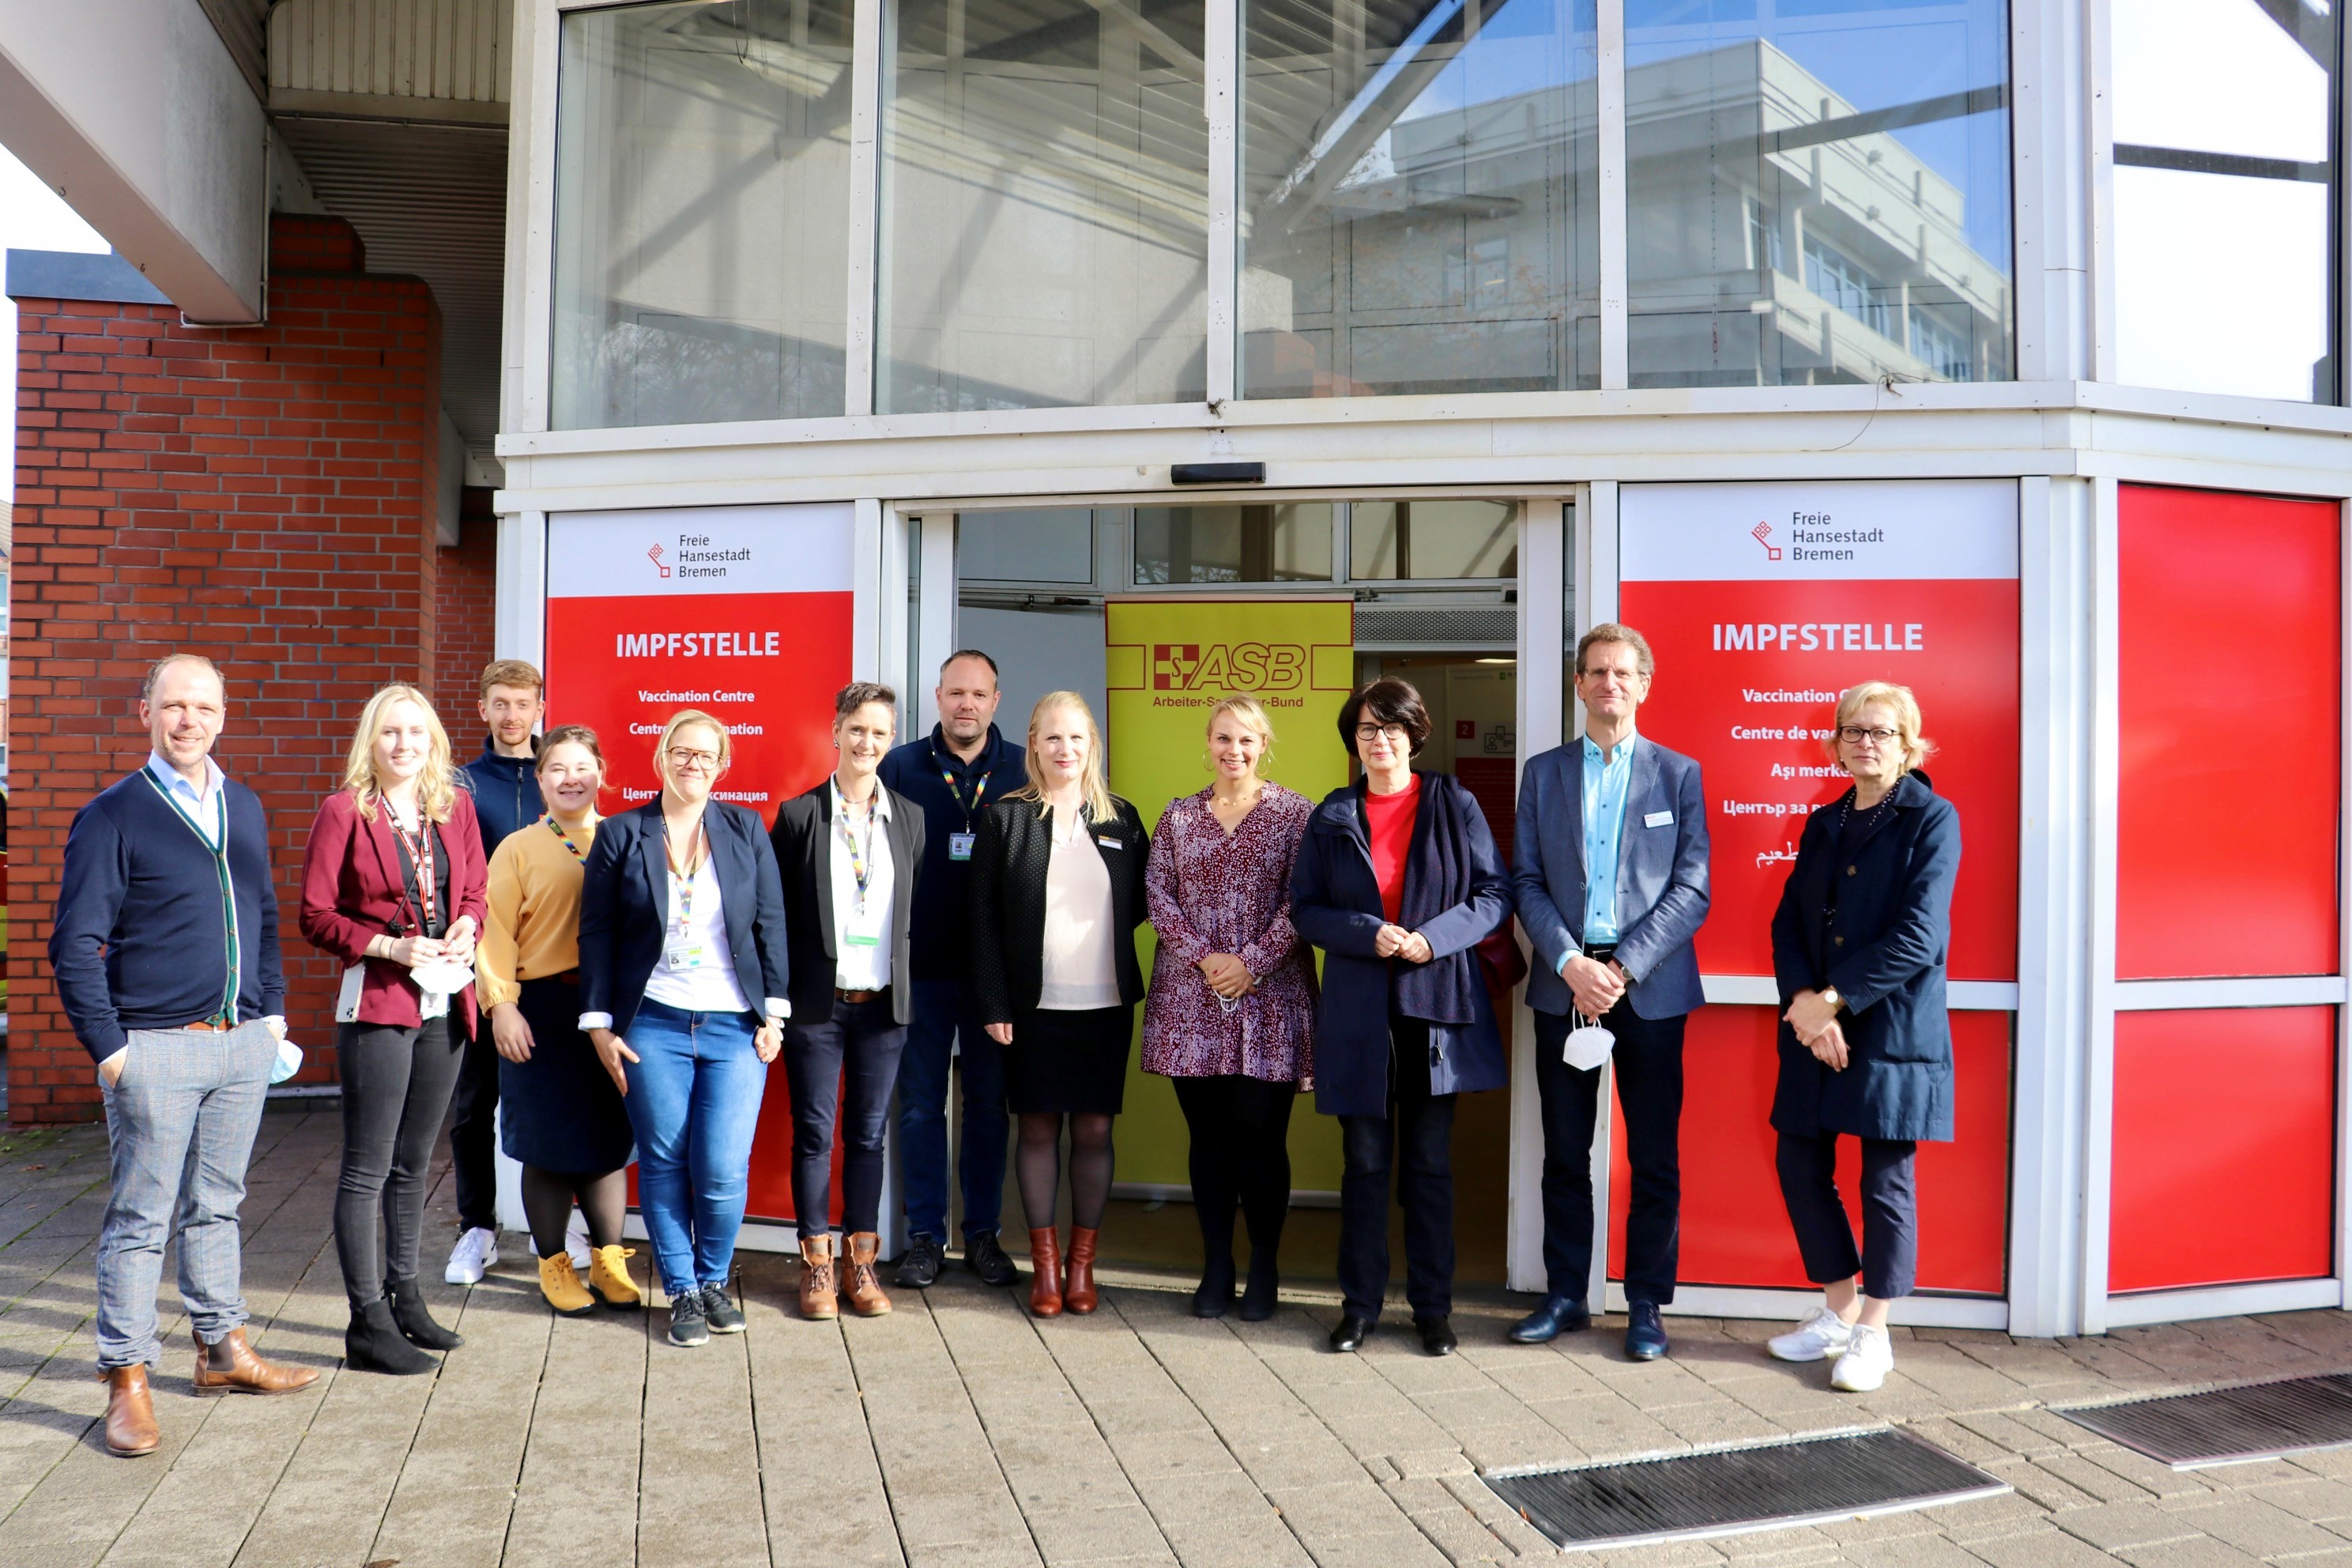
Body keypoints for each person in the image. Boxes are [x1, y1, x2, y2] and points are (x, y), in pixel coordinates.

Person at [48, 654, 318, 1457]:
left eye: (203, 706)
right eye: (173, 706)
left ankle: (222, 1349)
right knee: (140, 1219)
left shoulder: (243, 805)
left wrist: (271, 1015)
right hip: (153, 1049)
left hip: (240, 1045)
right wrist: (111, 1051)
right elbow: (74, 944)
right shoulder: (113, 815)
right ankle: (126, 1378)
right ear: (146, 713)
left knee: (218, 1204)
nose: (188, 720)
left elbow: (262, 915)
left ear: (223, 715)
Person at [1291, 678, 1510, 1357]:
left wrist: (1431, 939)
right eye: (1366, 730)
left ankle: (1432, 1310)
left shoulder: (1453, 802)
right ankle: (1359, 1308)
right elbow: (1306, 909)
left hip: (1433, 1005)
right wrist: (1367, 932)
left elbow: (1493, 895)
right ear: (1353, 741)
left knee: (1429, 1163)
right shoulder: (1332, 815)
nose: (1379, 740)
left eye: (1391, 728)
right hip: (1359, 1010)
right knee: (1363, 1163)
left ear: (1415, 734)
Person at [1509, 624, 1710, 1360]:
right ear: (1579, 685)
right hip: (1566, 983)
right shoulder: (1544, 773)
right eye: (1596, 672)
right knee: (1565, 1152)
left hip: (1647, 987)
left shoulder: (1678, 774)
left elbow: (1692, 888)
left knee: (1652, 1157)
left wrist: (1620, 970)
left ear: (1643, 685)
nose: (1609, 683)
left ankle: (1647, 1304)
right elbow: (1526, 879)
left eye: (1622, 672)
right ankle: (1566, 1295)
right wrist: (1569, 962)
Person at [1764, 682, 1959, 1394]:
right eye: (1854, 730)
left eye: (1882, 732)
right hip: (1816, 1024)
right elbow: (1789, 923)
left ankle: (1875, 1331)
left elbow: (1920, 935)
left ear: (1909, 746)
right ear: (1836, 744)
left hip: (1889, 1028)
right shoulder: (1823, 822)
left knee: (1885, 1182)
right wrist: (1805, 1005)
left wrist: (1832, 1003)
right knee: (1799, 1165)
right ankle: (1839, 1311)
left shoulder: (1932, 819)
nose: (1866, 742)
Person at [576, 709, 790, 1349]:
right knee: (664, 1159)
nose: (693, 764)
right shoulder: (621, 833)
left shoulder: (745, 827)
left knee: (721, 1167)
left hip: (734, 1024)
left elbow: (771, 922)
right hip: (653, 1022)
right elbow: (598, 932)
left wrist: (775, 1013)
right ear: (661, 758)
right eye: (681, 752)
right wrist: (599, 1025)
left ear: (723, 767)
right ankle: (683, 1290)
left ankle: (714, 1278)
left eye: (706, 755)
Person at [300, 684, 488, 1375]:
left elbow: (476, 891)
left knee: (415, 1164)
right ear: (371, 742)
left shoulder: (455, 806)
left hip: (446, 1002)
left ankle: (406, 1299)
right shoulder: (344, 811)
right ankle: (367, 1322)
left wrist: (467, 924)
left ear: (433, 740)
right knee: (367, 1168)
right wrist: (391, 948)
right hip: (379, 1002)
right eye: (390, 732)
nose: (404, 744)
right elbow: (316, 915)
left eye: (416, 731)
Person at [968, 692, 1150, 1318]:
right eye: (1052, 737)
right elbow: (982, 920)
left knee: (1096, 1130)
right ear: (1034, 744)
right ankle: (1044, 1268)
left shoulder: (1122, 818)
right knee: (1039, 1127)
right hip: (1032, 1007)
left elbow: (1141, 904)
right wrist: (994, 1001)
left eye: (1076, 738)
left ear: (1092, 744)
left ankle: (1083, 1265)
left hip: (1105, 1003)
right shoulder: (1006, 818)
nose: (1064, 749)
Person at [1140, 697, 1317, 1322]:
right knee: (1209, 1140)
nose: (1233, 750)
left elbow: (1305, 900)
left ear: (1264, 744)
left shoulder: (1296, 815)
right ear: (1208, 743)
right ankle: (1217, 1266)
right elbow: (1157, 894)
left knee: (1262, 1139)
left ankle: (1264, 1266)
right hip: (1191, 1002)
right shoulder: (1179, 817)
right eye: (1223, 738)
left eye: (1245, 739)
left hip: (1271, 1000)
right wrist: (1205, 958)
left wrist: (1252, 962)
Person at [475, 725, 643, 1317]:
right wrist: (502, 1005)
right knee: (546, 1146)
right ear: (541, 779)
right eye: (557, 769)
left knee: (606, 1141)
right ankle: (554, 1265)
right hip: (542, 1010)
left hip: (611, 1011)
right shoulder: (518, 848)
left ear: (602, 774)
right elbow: (495, 932)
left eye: (582, 767)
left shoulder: (629, 838)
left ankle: (609, 1262)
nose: (571, 779)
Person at [771, 684, 926, 1320]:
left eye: (880, 732)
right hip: (818, 1006)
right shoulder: (800, 815)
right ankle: (816, 1265)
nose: (867, 742)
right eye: (857, 729)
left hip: (883, 1006)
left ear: (892, 740)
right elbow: (775, 916)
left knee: (867, 1134)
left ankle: (861, 1265)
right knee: (813, 1134)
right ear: (836, 731)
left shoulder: (910, 818)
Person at [877, 650, 1026, 1290]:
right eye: (956, 693)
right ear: (938, 696)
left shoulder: (1024, 767)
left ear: (996, 701)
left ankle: (984, 1236)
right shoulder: (899, 766)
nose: (967, 704)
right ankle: (924, 1237)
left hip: (997, 976)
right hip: (921, 968)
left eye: (979, 694)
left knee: (989, 1106)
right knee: (919, 1106)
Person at [447, 659, 550, 1288]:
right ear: (483, 709)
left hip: (548, 966)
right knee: (473, 1102)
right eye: (501, 704)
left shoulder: (558, 776)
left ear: (541, 709)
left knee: (550, 1099)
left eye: (523, 704)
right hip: (477, 965)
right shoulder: (459, 784)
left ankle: (552, 1228)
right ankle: (476, 1228)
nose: (513, 716)